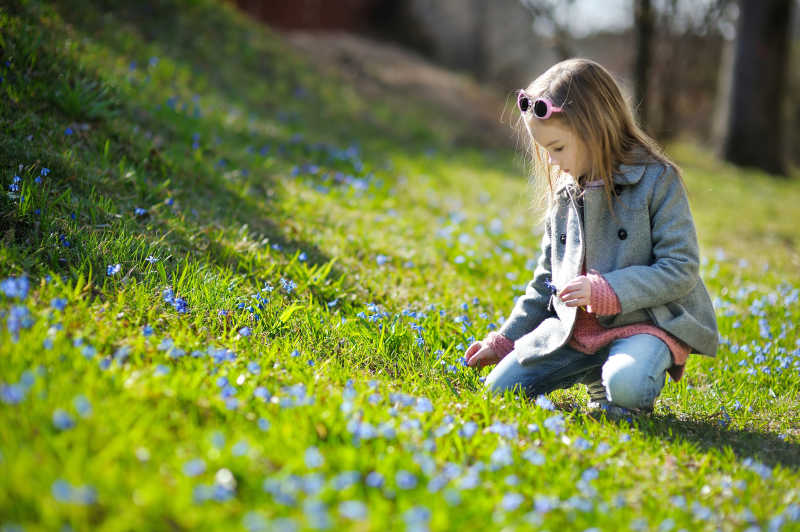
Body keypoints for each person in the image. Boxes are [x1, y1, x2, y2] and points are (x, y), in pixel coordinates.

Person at [464, 58, 718, 416]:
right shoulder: (566, 193)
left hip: (642, 326)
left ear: (594, 129)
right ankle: (596, 370)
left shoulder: (657, 181)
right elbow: (544, 283)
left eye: (558, 148)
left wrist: (608, 291)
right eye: (546, 151)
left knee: (627, 387)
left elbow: (680, 268)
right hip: (573, 334)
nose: (552, 162)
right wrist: (506, 339)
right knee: (499, 390)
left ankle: (619, 379)